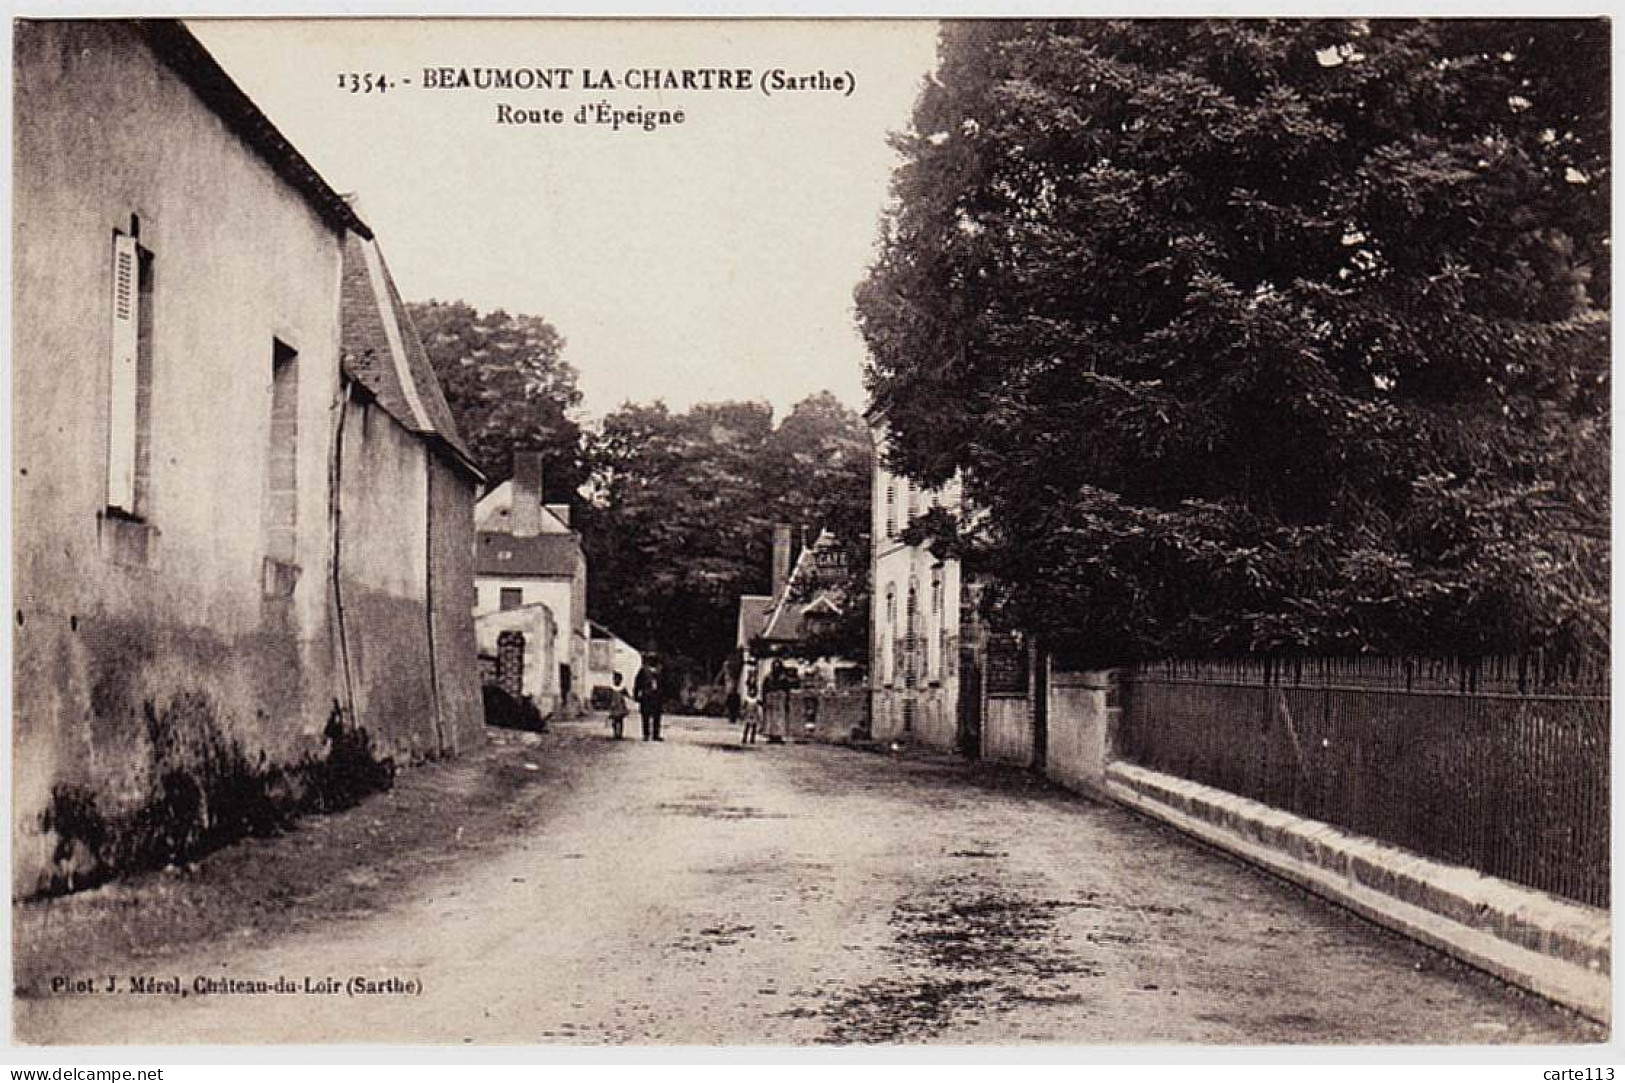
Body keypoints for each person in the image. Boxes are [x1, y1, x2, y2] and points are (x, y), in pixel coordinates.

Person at [634, 660, 663, 742]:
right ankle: (646, 734)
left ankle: (656, 734)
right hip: (646, 696)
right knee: (645, 716)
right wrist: (636, 695)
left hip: (657, 696)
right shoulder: (643, 670)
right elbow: (637, 683)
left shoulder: (660, 670)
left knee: (657, 716)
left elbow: (664, 683)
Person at [606, 672, 630, 740]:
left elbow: (627, 695)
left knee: (620, 720)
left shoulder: (622, 688)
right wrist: (609, 704)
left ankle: (620, 734)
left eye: (619, 679)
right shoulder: (611, 688)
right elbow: (608, 696)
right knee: (614, 720)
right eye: (615, 679)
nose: (617, 681)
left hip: (621, 706)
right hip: (614, 706)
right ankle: (615, 733)